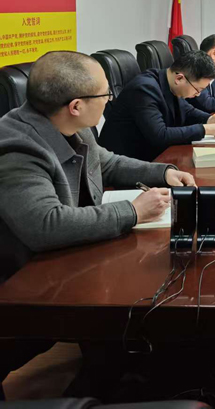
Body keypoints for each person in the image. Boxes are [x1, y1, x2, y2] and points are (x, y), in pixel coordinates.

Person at [0, 52, 196, 391]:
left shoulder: (68, 125)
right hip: (28, 280)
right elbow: (46, 225)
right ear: (76, 105)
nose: (110, 99)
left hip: (70, 256)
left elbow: (106, 163)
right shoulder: (18, 148)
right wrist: (133, 211)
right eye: (105, 94)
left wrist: (164, 172)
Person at [99, 50, 215, 161]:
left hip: (154, 155)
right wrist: (206, 129)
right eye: (198, 89)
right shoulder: (144, 89)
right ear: (179, 78)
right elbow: (160, 135)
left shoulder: (167, 82)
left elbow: (186, 110)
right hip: (128, 163)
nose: (198, 94)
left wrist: (209, 119)